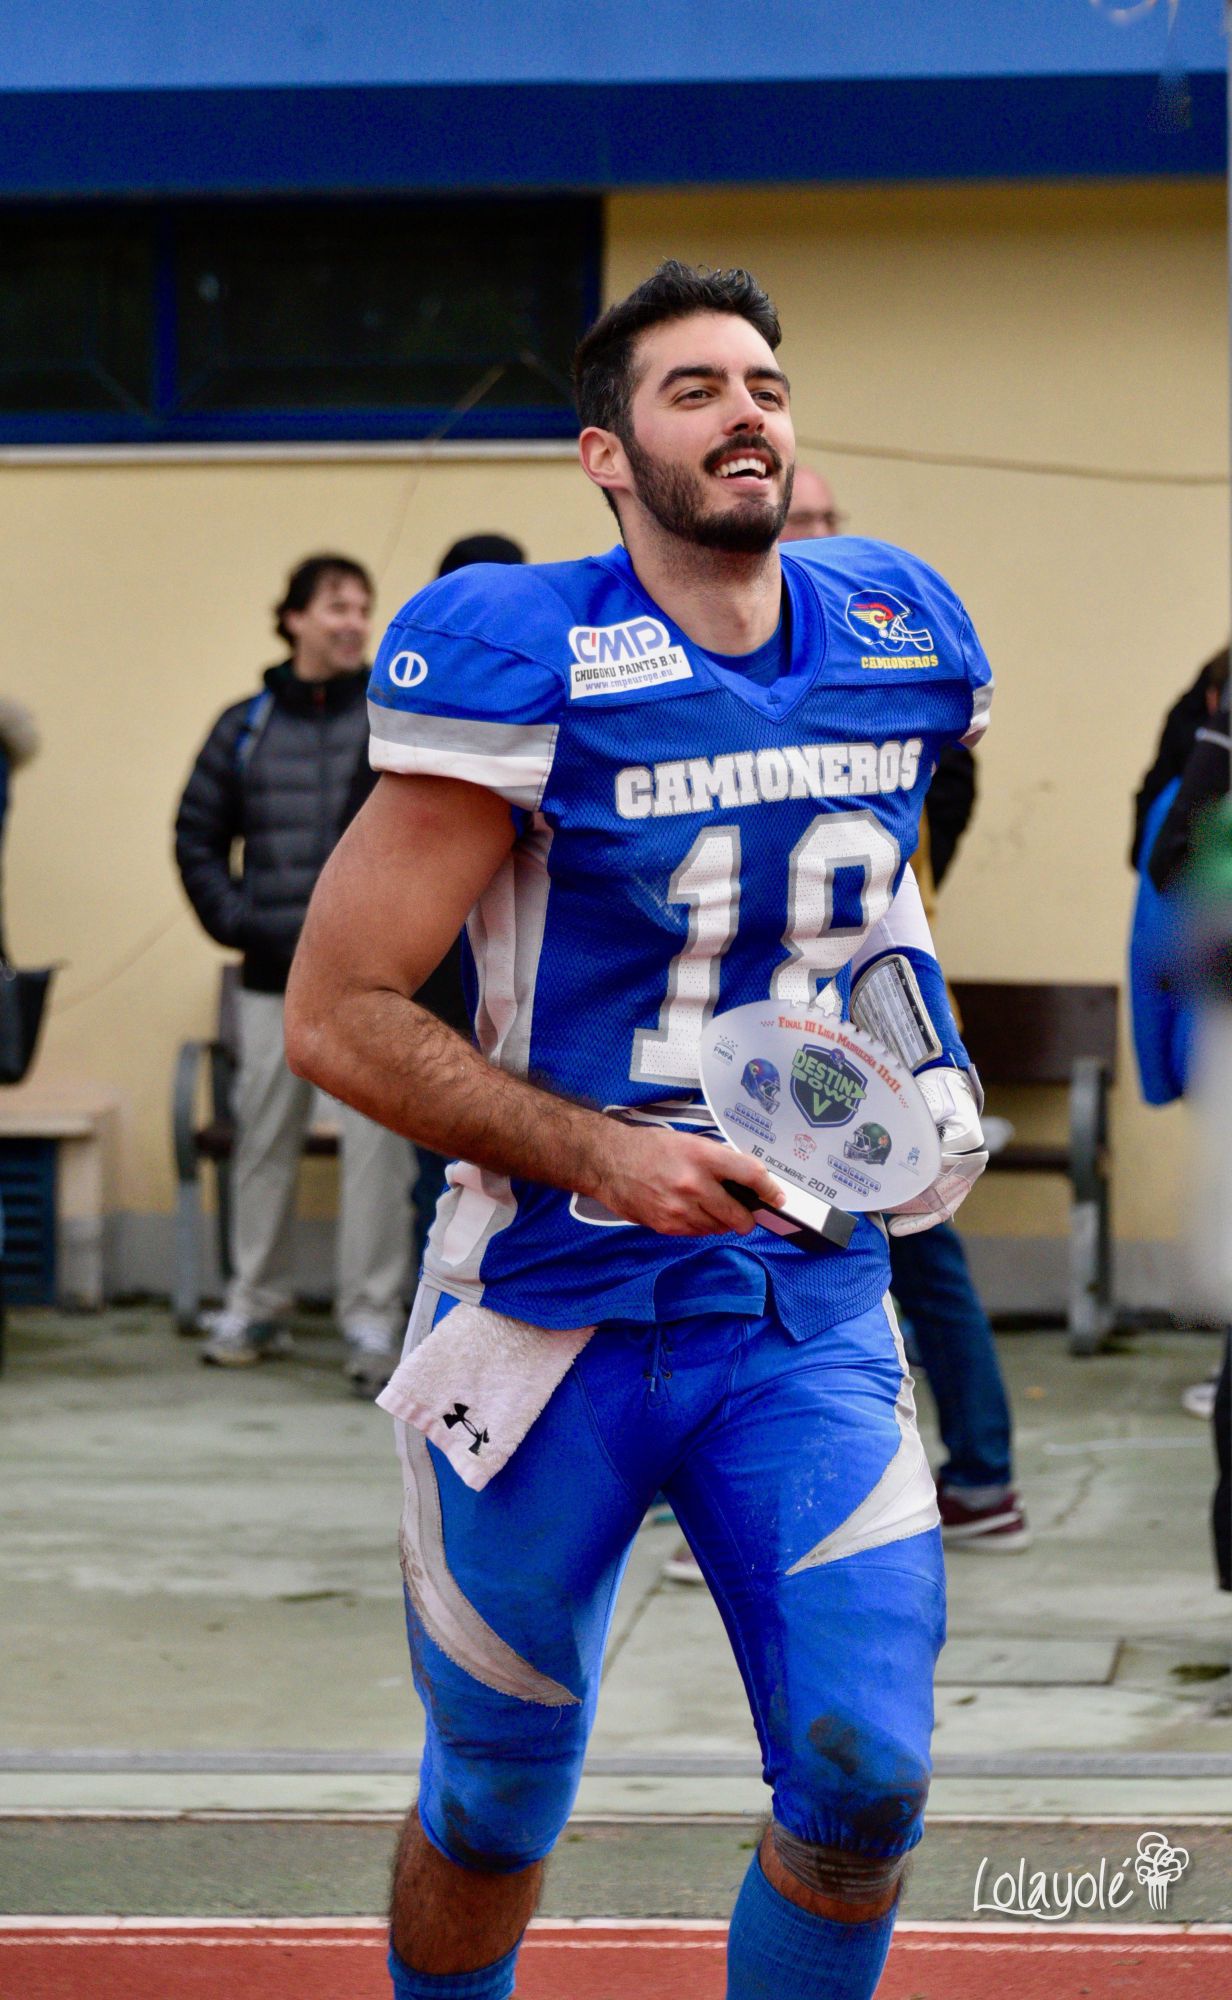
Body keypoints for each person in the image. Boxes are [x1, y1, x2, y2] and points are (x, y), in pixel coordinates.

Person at [285, 262, 993, 2000]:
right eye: (693, 390)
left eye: (761, 381)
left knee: (863, 1780)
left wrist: (930, 1075)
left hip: (795, 1313)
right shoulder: (529, 655)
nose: (744, 408)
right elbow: (339, 1010)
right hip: (551, 1310)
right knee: (497, 1797)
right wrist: (599, 1150)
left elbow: (873, 911)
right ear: (604, 453)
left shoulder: (890, 629)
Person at [174, 553, 414, 1394]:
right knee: (263, 1146)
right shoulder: (244, 726)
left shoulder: (395, 720)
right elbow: (196, 838)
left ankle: (373, 1319)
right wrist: (241, 926)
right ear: (294, 620)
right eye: (336, 607)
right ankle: (254, 1303)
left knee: (377, 1155)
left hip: (375, 986)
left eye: (363, 608)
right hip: (270, 979)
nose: (353, 622)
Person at [406, 535, 527, 1252]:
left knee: (524, 1180)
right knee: (436, 1182)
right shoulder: (409, 708)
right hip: (437, 1004)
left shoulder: (551, 702)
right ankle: (421, 1327)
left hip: (526, 1003)